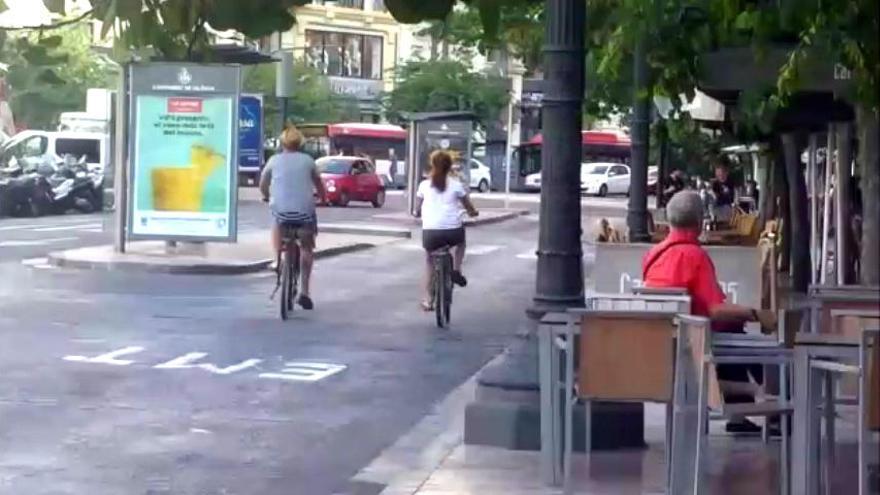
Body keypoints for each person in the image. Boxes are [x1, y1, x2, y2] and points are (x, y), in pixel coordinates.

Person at [642, 190, 778, 434]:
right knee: (761, 346)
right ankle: (778, 412)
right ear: (699, 220)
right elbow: (715, 310)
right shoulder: (694, 256)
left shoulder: (653, 255)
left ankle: (739, 416)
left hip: (666, 341)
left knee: (732, 329)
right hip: (695, 342)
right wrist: (756, 313)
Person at [260, 126, 326, 310]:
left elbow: (263, 183)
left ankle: (276, 259)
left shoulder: (274, 160)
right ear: (301, 144)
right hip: (304, 212)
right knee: (306, 247)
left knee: (276, 220)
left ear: (282, 143)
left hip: (281, 211)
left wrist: (266, 195)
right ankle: (304, 291)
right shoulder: (308, 161)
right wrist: (323, 198)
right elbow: (319, 184)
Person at [415, 150, 479, 311]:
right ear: (450, 166)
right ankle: (456, 269)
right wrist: (473, 213)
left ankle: (428, 300)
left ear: (432, 164)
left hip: (430, 233)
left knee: (429, 260)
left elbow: (417, 209)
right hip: (452, 231)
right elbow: (468, 207)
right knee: (461, 244)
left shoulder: (424, 185)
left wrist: (417, 213)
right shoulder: (456, 185)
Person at [709, 157, 737, 222]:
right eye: (717, 173)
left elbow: (733, 197)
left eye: (721, 173)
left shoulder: (731, 183)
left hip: (727, 209)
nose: (719, 175)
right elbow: (713, 197)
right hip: (717, 208)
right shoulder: (715, 184)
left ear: (726, 172)